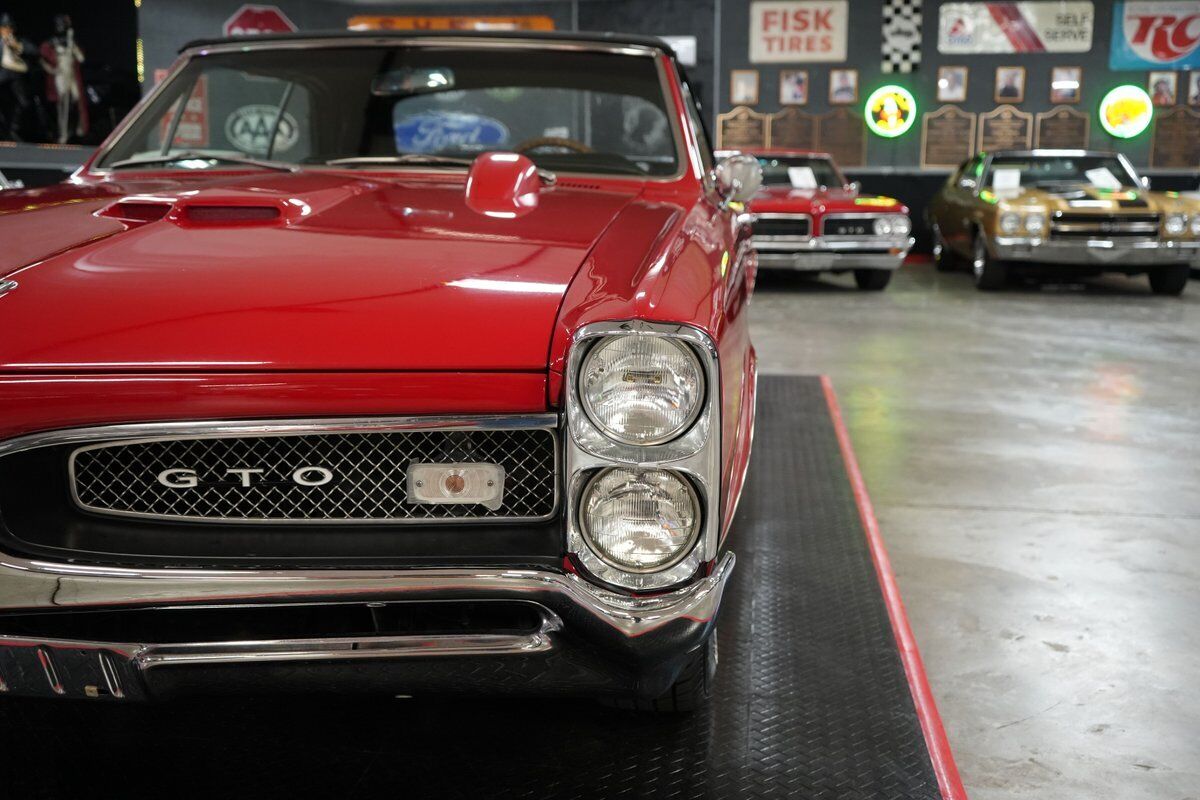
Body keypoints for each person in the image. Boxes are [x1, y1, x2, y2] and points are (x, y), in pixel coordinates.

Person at [40, 14, 87, 143]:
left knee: (77, 100)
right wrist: (52, 70)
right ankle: (63, 133)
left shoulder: (71, 41)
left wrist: (72, 44)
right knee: (63, 103)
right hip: (61, 74)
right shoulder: (52, 42)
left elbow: (81, 59)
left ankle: (77, 129)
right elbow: (43, 59)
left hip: (72, 74)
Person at [0, 12, 35, 140]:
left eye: (9, 27)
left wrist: (17, 46)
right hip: (2, 75)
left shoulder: (19, 41)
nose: (7, 30)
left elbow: (33, 51)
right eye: (4, 27)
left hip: (17, 75)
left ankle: (13, 130)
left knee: (23, 103)